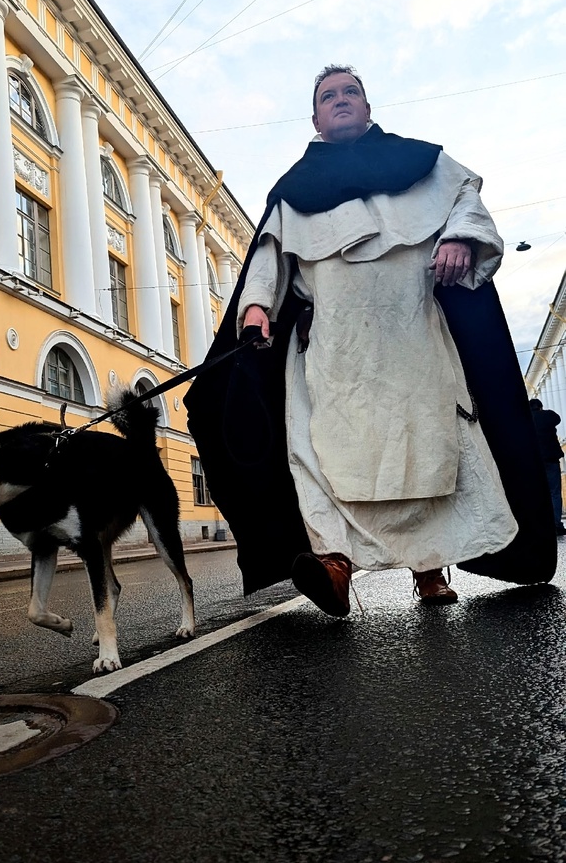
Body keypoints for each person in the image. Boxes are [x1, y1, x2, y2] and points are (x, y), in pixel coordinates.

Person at [185, 65, 557, 611]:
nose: (341, 100)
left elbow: (466, 201)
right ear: (314, 117)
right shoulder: (294, 190)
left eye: (350, 93)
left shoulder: (423, 164)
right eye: (329, 95)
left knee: (426, 454)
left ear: (367, 106)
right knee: (327, 456)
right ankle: (335, 565)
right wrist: (258, 307)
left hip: (415, 336)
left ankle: (429, 570)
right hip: (335, 350)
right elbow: (267, 253)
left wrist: (458, 237)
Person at [530, 398, 565, 535]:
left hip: (534, 462)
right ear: (540, 407)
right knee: (555, 492)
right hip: (551, 459)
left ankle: (542, 525)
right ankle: (557, 524)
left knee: (537, 493)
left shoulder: (526, 419)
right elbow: (557, 419)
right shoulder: (548, 415)